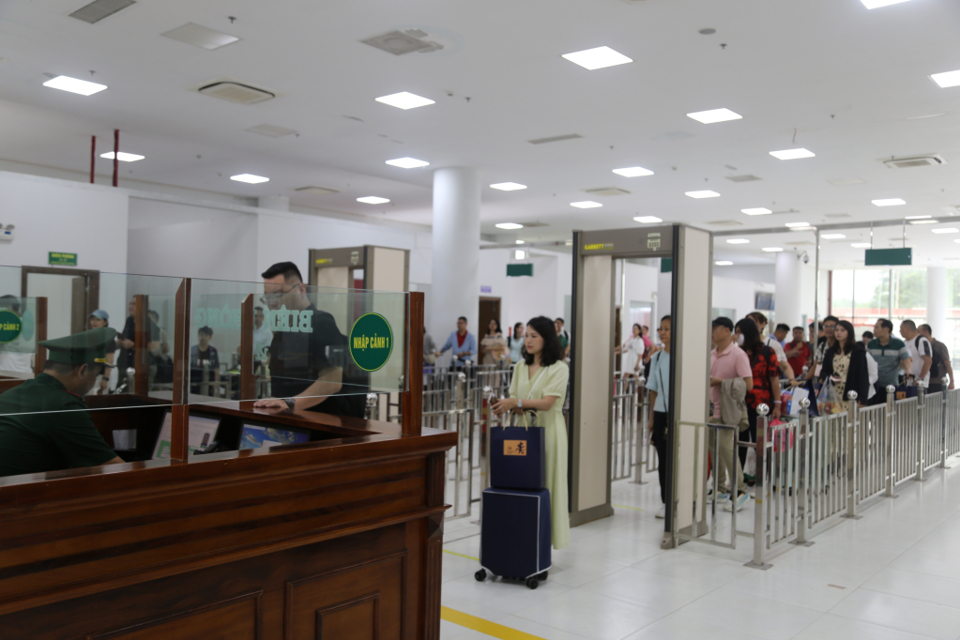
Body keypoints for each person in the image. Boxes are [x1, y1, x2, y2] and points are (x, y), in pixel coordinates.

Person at [0, 327, 124, 477]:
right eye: (96, 374)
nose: (94, 381)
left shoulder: (12, 393)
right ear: (82, 371)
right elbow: (112, 467)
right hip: (24, 496)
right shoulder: (64, 406)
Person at [492, 316, 570, 549]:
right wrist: (503, 407)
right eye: (526, 335)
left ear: (547, 339)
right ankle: (523, 538)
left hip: (550, 432)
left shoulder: (559, 368)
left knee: (548, 484)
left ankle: (545, 541)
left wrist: (514, 402)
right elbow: (518, 403)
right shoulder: (519, 367)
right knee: (523, 482)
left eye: (534, 335)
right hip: (524, 432)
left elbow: (546, 403)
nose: (528, 340)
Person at [254, 261, 366, 418]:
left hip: (320, 425)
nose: (272, 303)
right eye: (268, 297)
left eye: (278, 295)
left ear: (301, 290)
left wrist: (290, 403)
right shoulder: (282, 331)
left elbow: (332, 380)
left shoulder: (321, 322)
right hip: (289, 422)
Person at [709, 317, 753, 511]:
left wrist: (720, 382)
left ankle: (741, 491)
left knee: (727, 451)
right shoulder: (711, 354)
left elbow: (748, 384)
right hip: (710, 410)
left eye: (716, 329)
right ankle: (719, 489)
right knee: (714, 450)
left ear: (727, 330)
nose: (712, 333)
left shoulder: (738, 354)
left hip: (727, 411)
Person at [736, 318, 781, 487]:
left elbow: (774, 379)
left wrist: (777, 404)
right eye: (736, 331)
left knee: (759, 442)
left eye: (740, 332)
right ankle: (738, 480)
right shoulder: (736, 352)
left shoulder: (767, 351)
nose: (738, 335)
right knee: (739, 442)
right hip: (739, 403)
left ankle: (765, 478)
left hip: (761, 405)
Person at [644, 316, 671, 519]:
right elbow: (653, 390)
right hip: (662, 412)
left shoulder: (686, 356)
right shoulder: (657, 358)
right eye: (660, 328)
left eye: (667, 329)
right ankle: (666, 501)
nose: (662, 332)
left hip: (682, 412)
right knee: (663, 459)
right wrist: (652, 417)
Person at [820, 320, 870, 405]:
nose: (838, 333)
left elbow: (863, 376)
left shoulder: (857, 351)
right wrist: (831, 378)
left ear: (849, 333)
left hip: (851, 393)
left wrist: (863, 398)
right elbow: (823, 371)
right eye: (836, 330)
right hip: (833, 393)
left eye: (842, 330)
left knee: (849, 417)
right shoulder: (831, 351)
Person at [866, 319, 912, 405]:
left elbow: (907, 360)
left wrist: (908, 371)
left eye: (877, 327)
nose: (874, 330)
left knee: (889, 410)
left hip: (891, 385)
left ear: (886, 329)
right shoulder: (871, 344)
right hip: (873, 384)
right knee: (873, 411)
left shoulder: (899, 344)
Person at [747, 312, 797, 385]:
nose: (751, 325)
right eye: (748, 322)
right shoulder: (742, 344)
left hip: (765, 387)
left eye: (754, 322)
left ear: (763, 324)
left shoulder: (772, 344)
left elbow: (785, 366)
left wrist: (791, 380)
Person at [116, 296, 161, 374]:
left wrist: (133, 345)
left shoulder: (149, 324)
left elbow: (156, 346)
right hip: (126, 365)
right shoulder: (129, 321)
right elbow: (127, 339)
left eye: (134, 304)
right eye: (130, 304)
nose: (131, 306)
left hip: (142, 367)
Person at [919, 324, 954, 393]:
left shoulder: (939, 346)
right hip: (924, 382)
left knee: (936, 403)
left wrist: (951, 381)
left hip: (937, 382)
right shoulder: (920, 346)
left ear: (926, 332)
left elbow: (947, 363)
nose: (917, 334)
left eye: (918, 331)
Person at [87, 310, 116, 393]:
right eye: (92, 319)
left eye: (98, 320)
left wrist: (105, 379)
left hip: (100, 376)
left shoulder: (108, 339)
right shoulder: (89, 337)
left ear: (105, 322)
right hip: (89, 376)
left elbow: (109, 360)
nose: (94, 322)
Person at [900, 320, 933, 389]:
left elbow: (928, 361)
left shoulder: (921, 340)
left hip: (919, 384)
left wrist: (921, 378)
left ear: (907, 329)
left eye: (901, 329)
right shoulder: (904, 343)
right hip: (906, 383)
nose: (900, 331)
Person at [805, 316, 839, 382]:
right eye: (826, 326)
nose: (829, 329)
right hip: (825, 383)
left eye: (832, 326)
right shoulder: (822, 346)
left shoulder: (842, 346)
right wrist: (805, 381)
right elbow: (817, 365)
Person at [190, 326, 220, 396]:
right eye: (201, 335)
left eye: (205, 335)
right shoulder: (193, 349)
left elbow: (216, 368)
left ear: (210, 337)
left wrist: (216, 383)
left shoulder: (213, 351)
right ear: (198, 335)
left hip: (209, 383)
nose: (202, 337)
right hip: (194, 382)